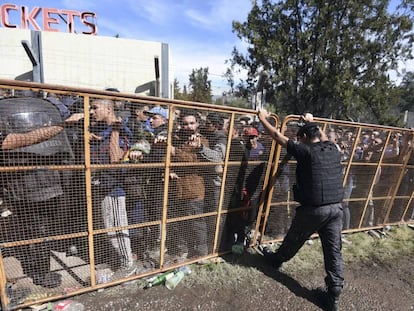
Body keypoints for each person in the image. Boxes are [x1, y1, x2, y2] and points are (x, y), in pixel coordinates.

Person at [257, 109, 344, 311]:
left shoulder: (305, 151)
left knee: (294, 239)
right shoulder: (333, 148)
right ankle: (334, 295)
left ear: (304, 138)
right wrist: (312, 123)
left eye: (300, 138)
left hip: (314, 209)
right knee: (334, 252)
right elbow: (320, 136)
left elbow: (278, 137)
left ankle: (276, 260)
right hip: (336, 208)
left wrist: (262, 119)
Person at [0, 96, 83, 288]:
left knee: (39, 231)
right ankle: (41, 272)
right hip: (25, 188)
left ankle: (37, 266)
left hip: (42, 184)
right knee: (37, 232)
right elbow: (14, 141)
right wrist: (58, 127)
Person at [89, 98, 136, 278]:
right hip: (100, 186)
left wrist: (115, 132)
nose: (91, 112)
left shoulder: (121, 131)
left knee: (117, 227)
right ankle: (118, 260)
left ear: (108, 109)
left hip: (113, 187)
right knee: (108, 227)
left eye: (95, 107)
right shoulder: (98, 131)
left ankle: (128, 265)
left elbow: (116, 161)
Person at [167, 109, 210, 261]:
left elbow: (195, 161)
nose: (188, 126)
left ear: (197, 124)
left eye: (191, 123)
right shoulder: (177, 139)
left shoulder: (202, 141)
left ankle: (201, 251)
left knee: (197, 221)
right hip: (178, 188)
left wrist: (174, 152)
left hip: (195, 189)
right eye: (185, 124)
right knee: (180, 221)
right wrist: (171, 169)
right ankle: (183, 249)